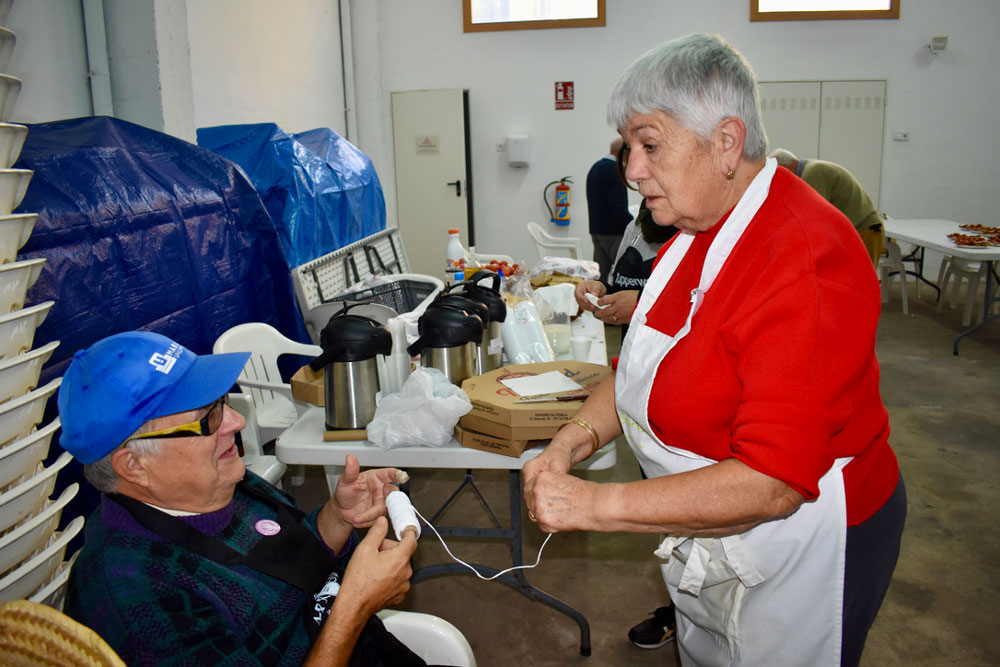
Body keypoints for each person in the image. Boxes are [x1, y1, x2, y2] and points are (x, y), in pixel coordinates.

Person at [524, 34, 905, 667]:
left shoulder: (806, 258)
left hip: (802, 549)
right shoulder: (694, 232)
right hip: (717, 535)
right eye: (629, 149)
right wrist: (569, 442)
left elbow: (772, 481)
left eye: (650, 145)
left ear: (726, 143)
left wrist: (598, 503)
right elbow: (637, 372)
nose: (632, 170)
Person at [58, 331, 423, 666]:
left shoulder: (219, 481)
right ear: (134, 465)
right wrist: (354, 607)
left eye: (222, 401)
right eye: (207, 417)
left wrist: (337, 518)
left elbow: (283, 564)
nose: (235, 422)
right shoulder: (138, 598)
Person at [770, 148, 886, 265]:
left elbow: (814, 219)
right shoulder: (810, 170)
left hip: (864, 229)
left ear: (784, 168)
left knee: (861, 281)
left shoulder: (812, 174)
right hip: (857, 231)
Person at [575, 199, 677, 330]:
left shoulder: (694, 234)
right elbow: (619, 289)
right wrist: (601, 291)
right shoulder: (635, 228)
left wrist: (642, 304)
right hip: (630, 345)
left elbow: (693, 309)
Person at [586, 137, 634, 282]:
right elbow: (618, 207)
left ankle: (596, 303)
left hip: (597, 230)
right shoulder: (614, 170)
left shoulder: (596, 167)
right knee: (622, 274)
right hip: (613, 233)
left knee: (600, 276)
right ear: (623, 152)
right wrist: (634, 225)